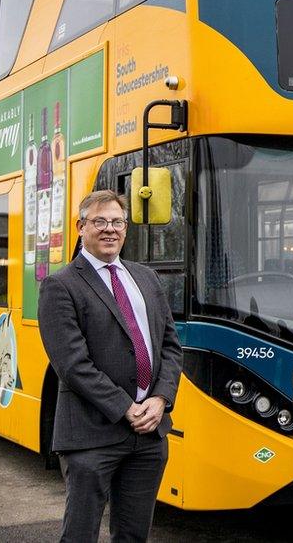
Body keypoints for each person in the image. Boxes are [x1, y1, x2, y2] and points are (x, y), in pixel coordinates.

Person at [38, 190, 182, 542]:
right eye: (99, 221)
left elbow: (171, 346)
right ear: (80, 227)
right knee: (80, 535)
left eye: (117, 222)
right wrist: (126, 409)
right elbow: (72, 365)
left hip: (149, 435)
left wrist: (160, 400)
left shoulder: (146, 278)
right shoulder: (60, 285)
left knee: (134, 535)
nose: (109, 229)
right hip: (91, 437)